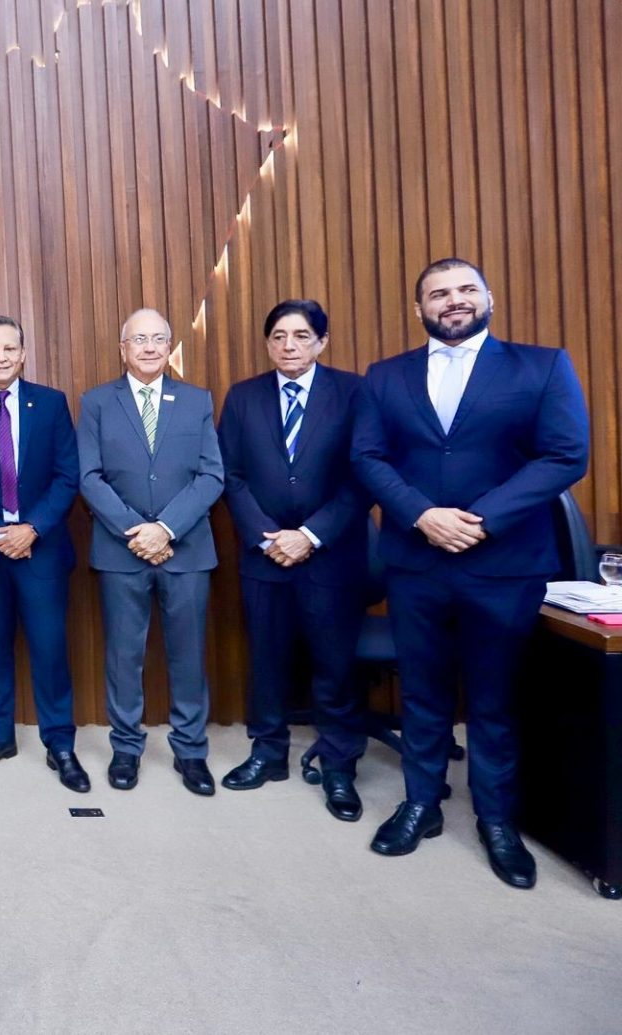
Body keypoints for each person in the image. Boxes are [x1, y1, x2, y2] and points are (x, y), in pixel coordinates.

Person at [352, 258, 588, 888]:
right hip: (416, 561)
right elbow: (368, 457)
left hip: (504, 564)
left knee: (494, 699)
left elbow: (566, 454)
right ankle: (421, 804)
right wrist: (422, 515)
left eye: (464, 290)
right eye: (438, 294)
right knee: (423, 694)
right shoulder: (385, 377)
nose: (452, 302)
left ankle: (497, 820)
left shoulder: (541, 367)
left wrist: (480, 520)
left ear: (488, 297)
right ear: (420, 308)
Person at [217, 300, 370, 819]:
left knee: (334, 666)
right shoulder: (243, 397)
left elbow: (360, 477)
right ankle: (268, 753)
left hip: (331, 555)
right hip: (264, 557)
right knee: (267, 661)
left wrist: (309, 535)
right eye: (278, 336)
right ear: (267, 343)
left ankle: (339, 765)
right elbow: (231, 476)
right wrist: (268, 537)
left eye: (301, 336)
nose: (288, 345)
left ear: (321, 342)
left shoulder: (352, 393)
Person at [78, 309, 224, 796]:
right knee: (124, 655)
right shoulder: (97, 402)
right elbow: (89, 477)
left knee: (188, 655)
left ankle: (191, 752)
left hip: (186, 550)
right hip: (122, 552)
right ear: (123, 348)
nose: (148, 347)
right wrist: (136, 531)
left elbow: (211, 476)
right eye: (138, 339)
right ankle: (125, 748)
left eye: (158, 338)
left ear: (169, 347)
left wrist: (165, 528)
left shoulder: (196, 400)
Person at [0, 316, 88, 792]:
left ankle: (60, 744)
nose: (1, 357)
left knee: (49, 650)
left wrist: (33, 529)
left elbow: (69, 475)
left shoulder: (50, 404)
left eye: (10, 348)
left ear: (23, 354)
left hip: (40, 550)